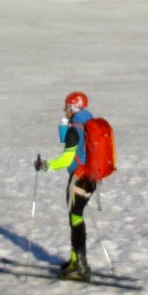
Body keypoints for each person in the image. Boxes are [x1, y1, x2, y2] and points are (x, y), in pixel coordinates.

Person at [35, 90, 97, 281]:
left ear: (73, 106)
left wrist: (46, 166)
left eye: (66, 105)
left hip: (79, 178)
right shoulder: (88, 123)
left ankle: (79, 265)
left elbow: (67, 159)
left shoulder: (74, 129)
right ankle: (75, 261)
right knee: (76, 218)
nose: (64, 109)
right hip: (90, 178)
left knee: (76, 219)